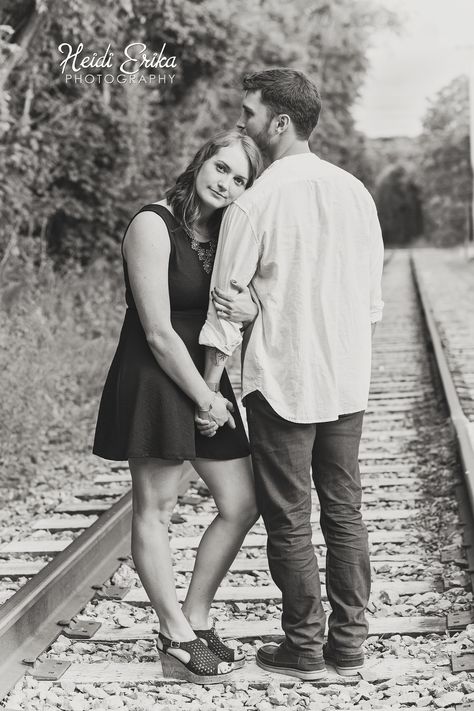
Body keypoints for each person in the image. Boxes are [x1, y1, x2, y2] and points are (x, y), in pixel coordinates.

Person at [199, 69, 384, 680]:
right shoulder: (356, 191)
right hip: (345, 381)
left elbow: (224, 312)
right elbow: (373, 304)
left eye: (248, 113)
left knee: (289, 518)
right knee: (344, 511)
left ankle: (304, 647)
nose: (240, 123)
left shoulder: (255, 202)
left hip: (282, 382)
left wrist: (207, 390)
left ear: (279, 122)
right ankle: (350, 647)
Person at [93, 130, 262, 684]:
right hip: (159, 375)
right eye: (220, 167)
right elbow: (159, 332)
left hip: (207, 375)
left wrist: (249, 305)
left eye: (240, 179)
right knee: (157, 507)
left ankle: (196, 613)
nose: (226, 183)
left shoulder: (222, 233)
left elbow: (237, 307)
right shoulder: (152, 223)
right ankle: (174, 634)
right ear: (199, 162)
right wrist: (205, 399)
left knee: (241, 501)